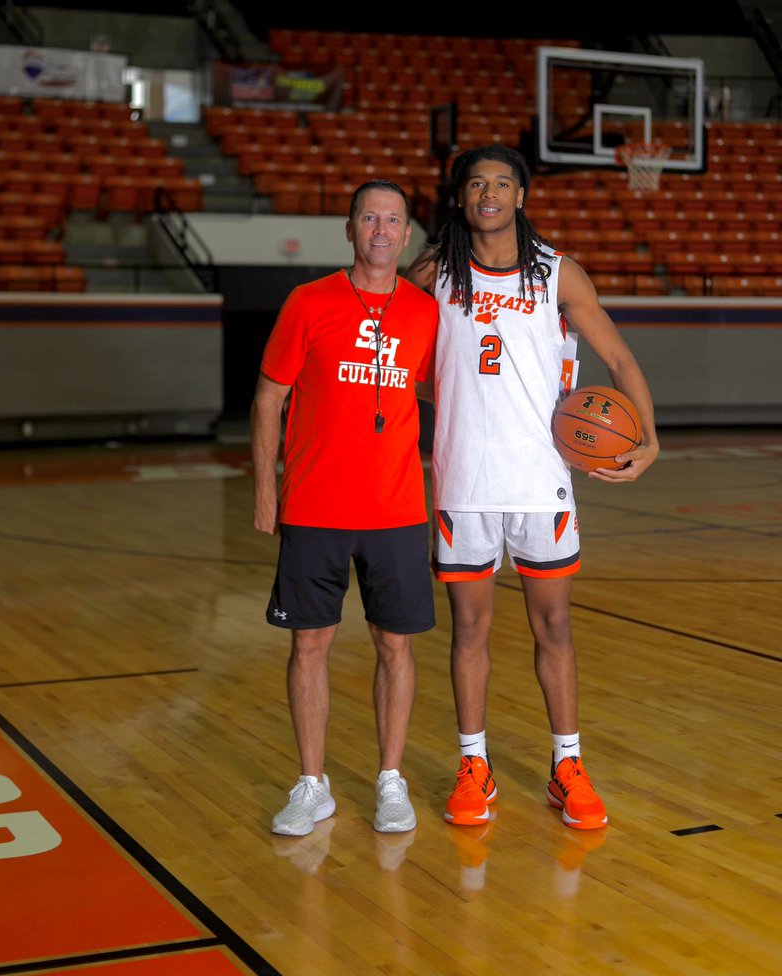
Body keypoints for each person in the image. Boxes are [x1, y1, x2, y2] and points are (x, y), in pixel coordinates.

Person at [407, 143, 660, 832]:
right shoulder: (432, 273)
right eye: (475, 183)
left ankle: (568, 765)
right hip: (462, 483)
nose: (487, 192)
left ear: (521, 195)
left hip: (541, 484)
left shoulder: (557, 274)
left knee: (554, 625)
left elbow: (618, 356)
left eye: (501, 182)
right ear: (460, 198)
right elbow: (393, 351)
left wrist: (652, 439)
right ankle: (473, 765)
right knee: (470, 630)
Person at [251, 179, 439, 838]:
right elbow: (269, 398)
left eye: (393, 220)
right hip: (315, 507)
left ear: (407, 234)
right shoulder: (308, 302)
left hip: (396, 511)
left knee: (396, 645)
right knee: (310, 643)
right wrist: (265, 492)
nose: (381, 231)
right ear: (351, 228)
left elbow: (454, 405)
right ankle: (313, 784)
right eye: (369, 218)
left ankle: (391, 780)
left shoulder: (424, 313)